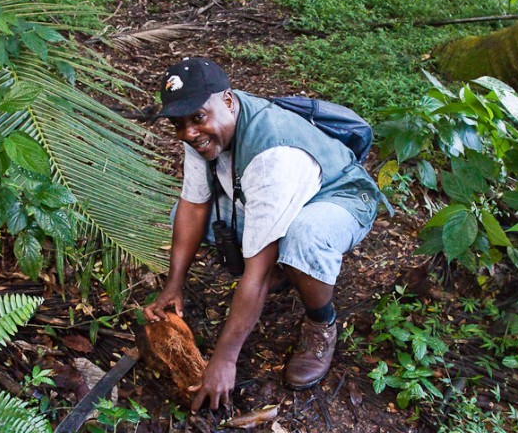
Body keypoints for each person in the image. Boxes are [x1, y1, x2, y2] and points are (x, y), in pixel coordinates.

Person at [143, 57, 380, 413]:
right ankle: (290, 269)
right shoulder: (201, 132)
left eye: (197, 118)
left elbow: (257, 271)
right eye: (178, 124)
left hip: (338, 196)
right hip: (276, 195)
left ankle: (321, 323)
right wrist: (173, 285)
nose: (188, 132)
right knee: (185, 215)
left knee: (303, 238)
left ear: (227, 100)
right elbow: (193, 206)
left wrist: (224, 360)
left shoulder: (273, 157)